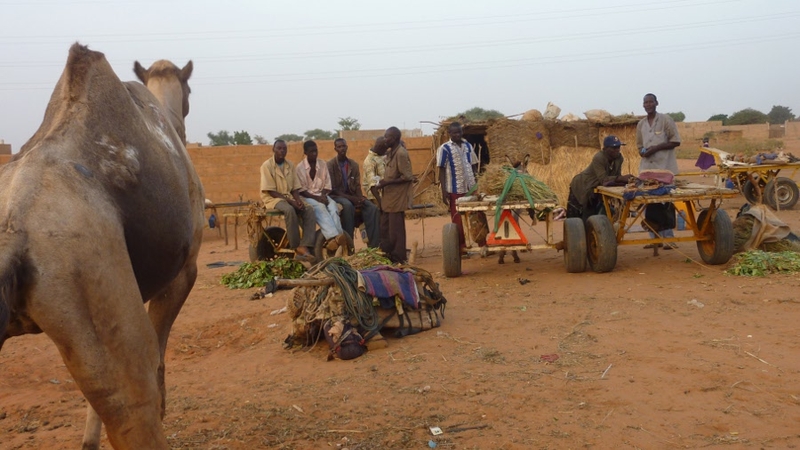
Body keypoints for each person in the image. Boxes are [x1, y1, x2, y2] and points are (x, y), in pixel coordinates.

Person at [636, 93, 682, 249]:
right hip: (647, 169)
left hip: (665, 169)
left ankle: (669, 238)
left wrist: (656, 148)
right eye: (645, 102)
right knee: (648, 202)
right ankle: (654, 238)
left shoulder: (665, 120)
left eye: (650, 102)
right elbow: (639, 146)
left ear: (656, 103)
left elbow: (675, 141)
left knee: (665, 203)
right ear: (643, 105)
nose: (648, 104)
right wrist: (643, 152)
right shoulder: (641, 124)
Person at [260, 139, 316, 261]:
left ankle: (306, 245)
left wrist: (298, 200)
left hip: (289, 197)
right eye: (279, 148)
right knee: (290, 210)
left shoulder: (290, 165)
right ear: (273, 150)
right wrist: (292, 202)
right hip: (273, 198)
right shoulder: (267, 166)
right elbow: (271, 191)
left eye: (284, 149)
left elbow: (295, 187)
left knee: (309, 209)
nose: (282, 151)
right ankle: (296, 246)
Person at [436, 122, 483, 255]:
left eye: (459, 132)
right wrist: (444, 191)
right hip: (454, 189)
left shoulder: (468, 146)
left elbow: (473, 165)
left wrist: (477, 183)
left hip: (471, 187)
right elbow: (441, 170)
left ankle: (483, 244)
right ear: (449, 133)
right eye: (454, 132)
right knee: (458, 220)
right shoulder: (444, 148)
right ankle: (461, 248)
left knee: (478, 216)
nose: (457, 134)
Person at [327, 137, 381, 249]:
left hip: (352, 196)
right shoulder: (330, 165)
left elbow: (357, 185)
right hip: (337, 196)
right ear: (335, 149)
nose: (342, 148)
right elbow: (333, 189)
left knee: (372, 208)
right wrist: (353, 199)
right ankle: (349, 245)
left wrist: (359, 197)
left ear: (347, 147)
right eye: (339, 146)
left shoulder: (353, 165)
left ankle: (374, 245)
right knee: (348, 205)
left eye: (344, 146)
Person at [567, 135, 635, 221]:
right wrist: (621, 178)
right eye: (614, 148)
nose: (617, 150)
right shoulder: (599, 157)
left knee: (595, 215)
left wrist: (627, 181)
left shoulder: (619, 158)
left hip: (596, 187)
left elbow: (615, 177)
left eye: (618, 147)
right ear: (605, 149)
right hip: (582, 186)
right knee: (579, 217)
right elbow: (603, 179)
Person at [296, 140, 348, 251]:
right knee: (320, 208)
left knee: (333, 207)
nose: (314, 154)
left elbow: (327, 184)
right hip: (307, 197)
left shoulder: (322, 164)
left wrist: (323, 196)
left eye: (316, 151)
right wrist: (317, 198)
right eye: (311, 152)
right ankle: (332, 237)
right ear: (305, 152)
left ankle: (339, 236)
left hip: (322, 194)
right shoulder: (299, 168)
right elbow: (302, 191)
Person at [375, 126, 414, 264]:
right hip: (388, 198)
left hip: (397, 198)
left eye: (388, 137)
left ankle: (399, 258)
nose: (385, 139)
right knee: (385, 228)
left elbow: (407, 176)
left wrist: (387, 182)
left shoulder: (401, 154)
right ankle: (388, 255)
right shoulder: (391, 153)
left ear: (395, 138)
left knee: (396, 231)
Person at [362, 136, 387, 201]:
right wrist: (380, 202)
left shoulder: (380, 157)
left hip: (385, 194)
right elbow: (372, 185)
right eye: (385, 149)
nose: (386, 151)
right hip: (375, 197)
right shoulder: (370, 161)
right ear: (381, 148)